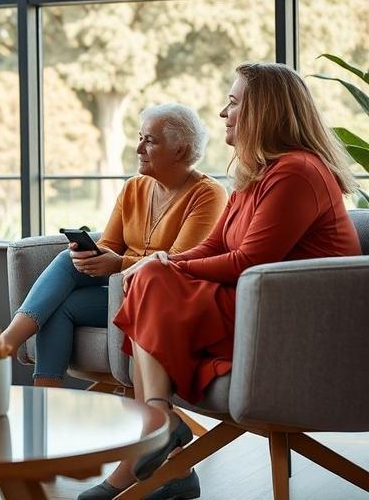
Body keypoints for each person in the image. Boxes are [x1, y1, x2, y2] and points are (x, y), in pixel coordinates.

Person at [79, 63, 362, 500]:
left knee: (155, 278)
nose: (222, 113)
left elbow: (251, 260)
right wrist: (159, 261)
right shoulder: (256, 176)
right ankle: (161, 436)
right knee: (150, 276)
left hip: (293, 327)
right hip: (253, 311)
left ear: (263, 112)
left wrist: (166, 267)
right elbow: (211, 248)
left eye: (233, 103)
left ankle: (156, 434)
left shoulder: (297, 172)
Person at [0, 103, 227, 387]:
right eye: (140, 137)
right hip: (121, 292)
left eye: (150, 141)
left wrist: (118, 264)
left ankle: (4, 346)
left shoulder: (208, 194)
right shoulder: (134, 187)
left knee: (61, 293)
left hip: (166, 300)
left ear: (179, 150)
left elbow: (180, 263)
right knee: (65, 275)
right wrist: (92, 256)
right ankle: (45, 396)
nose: (138, 149)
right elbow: (109, 244)